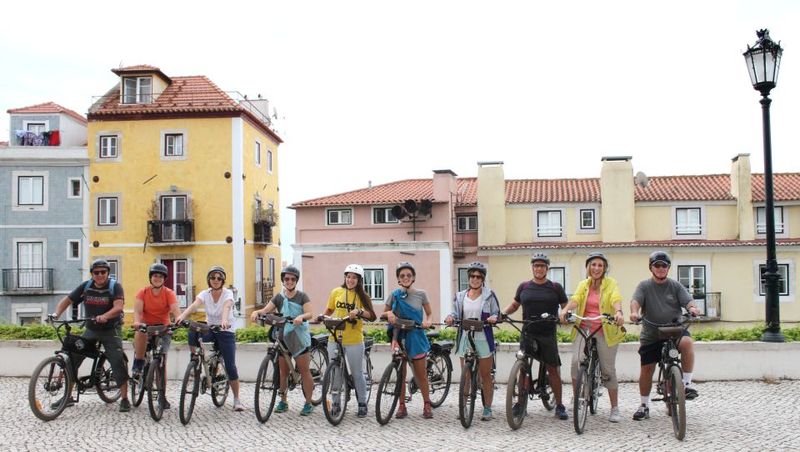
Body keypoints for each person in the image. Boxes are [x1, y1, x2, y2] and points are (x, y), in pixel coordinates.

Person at [50, 259, 131, 412]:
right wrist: (55, 314)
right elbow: (67, 300)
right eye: (96, 272)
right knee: (73, 359)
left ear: (108, 273)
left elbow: (118, 307)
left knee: (116, 361)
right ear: (92, 274)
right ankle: (68, 396)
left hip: (110, 330)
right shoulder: (86, 286)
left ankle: (125, 398)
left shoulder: (115, 287)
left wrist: (106, 316)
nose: (100, 275)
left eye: (103, 272)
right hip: (91, 329)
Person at [629, 251, 700, 421]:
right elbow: (636, 301)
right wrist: (634, 313)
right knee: (647, 369)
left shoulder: (675, 286)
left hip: (674, 331)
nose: (660, 268)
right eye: (657, 265)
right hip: (651, 333)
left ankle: (686, 384)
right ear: (651, 268)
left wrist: (692, 309)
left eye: (664, 265)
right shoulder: (644, 286)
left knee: (687, 343)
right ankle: (644, 405)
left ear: (668, 268)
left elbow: (688, 301)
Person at [501, 252, 569, 420]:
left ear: (547, 268)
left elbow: (565, 306)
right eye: (536, 265)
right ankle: (520, 403)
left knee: (553, 369)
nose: (539, 268)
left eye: (542, 266)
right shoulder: (524, 286)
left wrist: (565, 315)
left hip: (547, 333)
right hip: (528, 332)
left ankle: (559, 405)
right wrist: (503, 313)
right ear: (532, 267)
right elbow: (515, 304)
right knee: (522, 368)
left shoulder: (555, 287)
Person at [559, 252, 626, 423]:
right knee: (576, 362)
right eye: (593, 265)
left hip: (605, 329)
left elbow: (615, 298)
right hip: (585, 327)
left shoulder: (611, 284)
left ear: (604, 269)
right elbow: (576, 299)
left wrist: (618, 311)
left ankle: (614, 408)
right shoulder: (584, 284)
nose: (596, 268)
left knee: (607, 370)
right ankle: (576, 398)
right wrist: (566, 309)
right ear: (588, 267)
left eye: (600, 265)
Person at [250, 265, 316, 416]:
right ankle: (283, 401)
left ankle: (308, 403)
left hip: (298, 337)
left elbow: (310, 313)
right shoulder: (279, 297)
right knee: (283, 371)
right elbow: (266, 310)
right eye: (287, 279)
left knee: (304, 371)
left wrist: (301, 317)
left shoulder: (302, 296)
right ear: (283, 280)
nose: (289, 281)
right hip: (283, 337)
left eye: (293, 279)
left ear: (296, 281)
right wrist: (256, 312)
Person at [176, 266, 244, 412]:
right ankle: (194, 359)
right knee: (193, 330)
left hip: (226, 330)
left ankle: (237, 399)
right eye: (213, 277)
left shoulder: (228, 293)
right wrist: (182, 316)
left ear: (223, 280)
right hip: (211, 328)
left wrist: (225, 320)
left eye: (219, 278)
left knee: (230, 366)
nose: (215, 280)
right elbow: (195, 305)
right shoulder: (205, 294)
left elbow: (226, 307)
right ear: (209, 279)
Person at [445, 261, 500, 421]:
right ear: (469, 278)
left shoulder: (489, 295)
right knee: (466, 374)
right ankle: (463, 405)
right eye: (472, 276)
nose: (475, 279)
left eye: (478, 276)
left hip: (483, 338)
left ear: (482, 279)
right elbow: (455, 313)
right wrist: (450, 318)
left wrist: (493, 318)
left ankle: (487, 408)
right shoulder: (460, 296)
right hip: (465, 337)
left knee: (485, 375)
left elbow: (497, 313)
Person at [320, 264, 377, 418]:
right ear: (345, 277)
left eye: (354, 277)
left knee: (357, 373)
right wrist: (322, 317)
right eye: (348, 276)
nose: (350, 280)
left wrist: (359, 312)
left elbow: (372, 315)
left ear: (359, 280)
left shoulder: (362, 296)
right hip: (335, 337)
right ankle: (336, 403)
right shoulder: (336, 291)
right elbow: (330, 309)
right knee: (335, 372)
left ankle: (362, 403)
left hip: (354, 339)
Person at [382, 261, 435, 419]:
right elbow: (383, 313)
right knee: (401, 374)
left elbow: (430, 314)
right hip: (399, 336)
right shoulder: (394, 295)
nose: (405, 278)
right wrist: (389, 314)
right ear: (398, 278)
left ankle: (426, 404)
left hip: (416, 336)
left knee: (421, 375)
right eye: (402, 275)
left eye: (408, 275)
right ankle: (401, 406)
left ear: (413, 277)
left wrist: (429, 322)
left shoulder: (421, 294)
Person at [131, 262, 182, 409]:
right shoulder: (143, 292)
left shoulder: (169, 293)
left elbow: (175, 309)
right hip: (146, 326)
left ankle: (162, 395)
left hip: (163, 328)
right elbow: (138, 311)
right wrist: (137, 322)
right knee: (140, 331)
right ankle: (139, 362)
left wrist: (178, 319)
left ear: (164, 278)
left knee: (161, 362)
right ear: (150, 277)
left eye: (160, 276)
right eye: (155, 276)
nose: (157, 278)